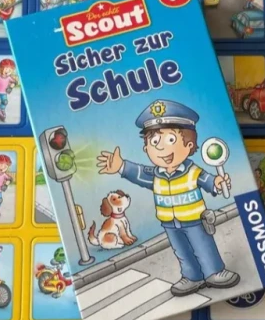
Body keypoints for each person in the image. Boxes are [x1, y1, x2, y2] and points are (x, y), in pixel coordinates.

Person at [96, 100, 240, 297]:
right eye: (154, 142)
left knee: (203, 246)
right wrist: (121, 166)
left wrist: (218, 182)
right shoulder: (154, 175)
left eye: (171, 140)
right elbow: (138, 172)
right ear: (146, 149)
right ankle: (192, 276)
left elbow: (208, 181)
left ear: (189, 145)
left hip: (194, 220)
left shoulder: (193, 171)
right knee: (181, 251)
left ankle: (214, 272)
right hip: (169, 223)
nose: (161, 148)